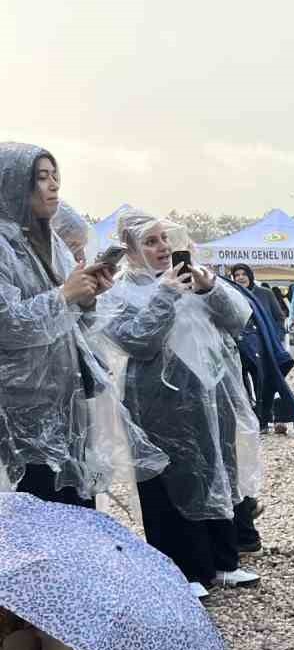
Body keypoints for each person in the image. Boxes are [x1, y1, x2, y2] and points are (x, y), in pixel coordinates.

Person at [99, 211, 261, 594]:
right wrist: (166, 294)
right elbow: (138, 341)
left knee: (218, 470)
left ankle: (223, 561)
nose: (162, 247)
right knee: (171, 482)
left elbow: (239, 319)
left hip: (213, 396)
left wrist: (211, 288)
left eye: (164, 238)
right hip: (158, 403)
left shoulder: (190, 279)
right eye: (150, 241)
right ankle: (184, 571)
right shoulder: (119, 292)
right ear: (130, 248)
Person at [0, 143, 163, 506]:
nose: (54, 185)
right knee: (36, 514)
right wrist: (63, 296)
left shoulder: (50, 243)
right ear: (12, 184)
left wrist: (86, 299)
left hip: (68, 404)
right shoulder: (3, 248)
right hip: (21, 416)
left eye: (55, 176)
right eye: (41, 177)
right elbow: (6, 324)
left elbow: (73, 327)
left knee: (76, 511)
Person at [227, 264, 294, 437]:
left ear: (250, 276)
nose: (240, 277)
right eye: (237, 275)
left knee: (267, 384)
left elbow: (279, 317)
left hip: (265, 346)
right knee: (242, 385)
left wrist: (275, 336)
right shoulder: (231, 295)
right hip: (241, 346)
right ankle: (252, 420)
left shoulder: (264, 293)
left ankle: (267, 419)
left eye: (243, 274)